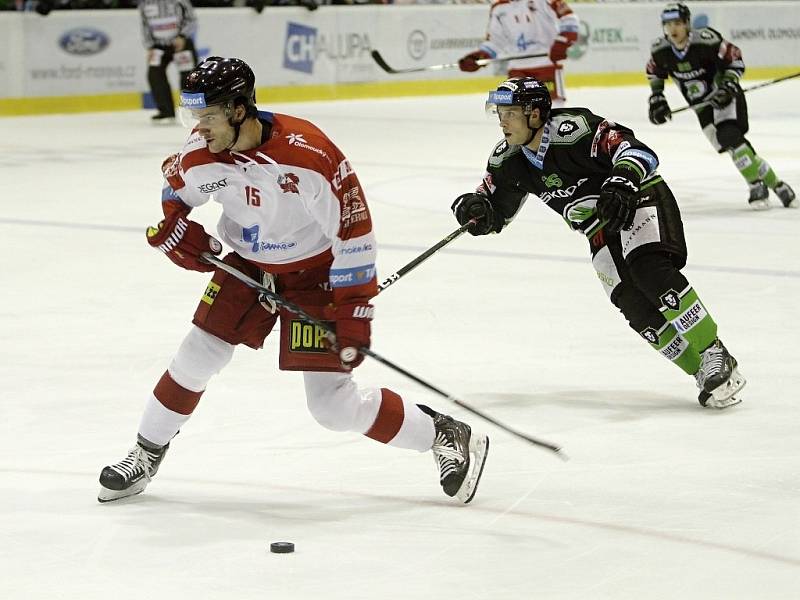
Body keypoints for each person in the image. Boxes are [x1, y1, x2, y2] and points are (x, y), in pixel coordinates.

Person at [97, 57, 488, 505]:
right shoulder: (201, 154)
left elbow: (353, 233)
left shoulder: (310, 156)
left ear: (239, 110)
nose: (197, 128)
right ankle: (147, 452)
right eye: (193, 116)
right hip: (247, 267)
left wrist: (353, 311)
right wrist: (176, 231)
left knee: (331, 406)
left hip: (315, 276)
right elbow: (175, 193)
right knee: (196, 355)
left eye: (206, 116)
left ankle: (442, 432)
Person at [451, 76, 746, 409]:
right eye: (500, 112)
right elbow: (492, 208)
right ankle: (702, 373)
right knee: (633, 305)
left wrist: (621, 182)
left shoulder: (574, 131)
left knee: (648, 269)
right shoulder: (509, 160)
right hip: (598, 228)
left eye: (511, 112)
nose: (503, 121)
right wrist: (473, 209)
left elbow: (637, 150)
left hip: (637, 197)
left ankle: (713, 351)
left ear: (535, 114)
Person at [646, 2, 795, 210]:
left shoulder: (707, 41)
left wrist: (728, 85)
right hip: (701, 107)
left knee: (729, 136)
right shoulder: (660, 50)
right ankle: (778, 185)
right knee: (732, 147)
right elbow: (654, 72)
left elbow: (734, 58)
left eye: (678, 23)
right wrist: (657, 98)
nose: (673, 29)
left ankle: (755, 185)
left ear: (687, 23)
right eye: (668, 24)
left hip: (726, 98)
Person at [458, 0, 579, 105]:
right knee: (514, 113)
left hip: (546, 66)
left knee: (552, 112)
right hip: (517, 69)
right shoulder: (498, 7)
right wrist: (480, 56)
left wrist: (562, 42)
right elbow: (495, 41)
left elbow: (569, 19)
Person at [139, 0, 198, 123]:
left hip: (181, 43)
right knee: (154, 74)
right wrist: (150, 46)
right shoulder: (145, 3)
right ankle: (166, 112)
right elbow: (145, 26)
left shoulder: (180, 1)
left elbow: (191, 20)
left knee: (189, 76)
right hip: (158, 46)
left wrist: (182, 36)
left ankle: (193, 110)